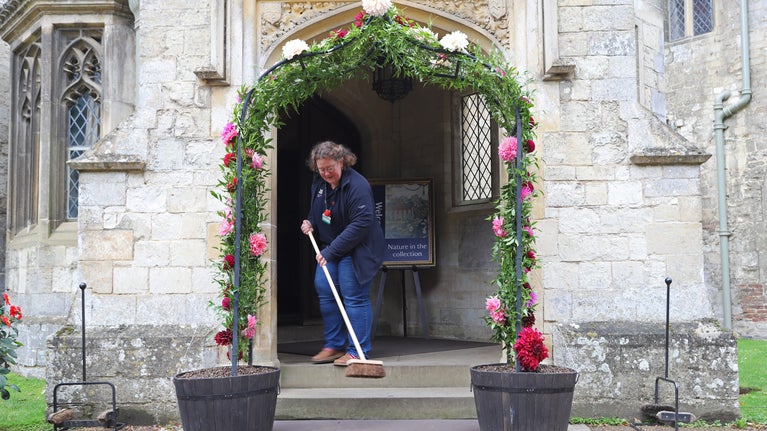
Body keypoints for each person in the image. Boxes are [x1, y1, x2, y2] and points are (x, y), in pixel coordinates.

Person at [300, 141, 385, 366]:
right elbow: (317, 210)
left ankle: (357, 350)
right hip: (333, 248)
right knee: (325, 289)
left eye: (330, 168)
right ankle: (334, 344)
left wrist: (331, 251)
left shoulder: (358, 185)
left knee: (353, 295)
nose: (326, 173)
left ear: (341, 162)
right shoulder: (319, 183)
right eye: (321, 169)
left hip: (359, 249)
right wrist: (311, 222)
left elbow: (361, 224)